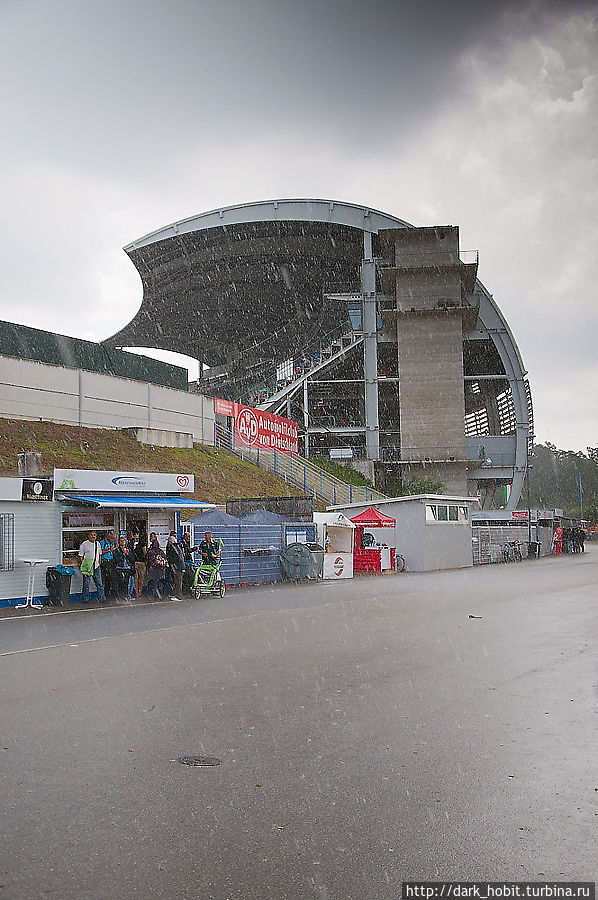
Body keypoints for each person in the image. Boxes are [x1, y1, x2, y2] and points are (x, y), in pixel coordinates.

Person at [77, 530, 106, 604]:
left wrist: (99, 562)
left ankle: (102, 597)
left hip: (96, 566)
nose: (93, 536)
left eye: (94, 535)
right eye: (91, 535)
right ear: (88, 536)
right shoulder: (84, 544)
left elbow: (100, 554)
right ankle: (85, 599)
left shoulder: (97, 544)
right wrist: (84, 564)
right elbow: (80, 555)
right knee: (86, 583)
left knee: (99, 582)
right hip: (88, 566)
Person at [146, 533, 168, 600]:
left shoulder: (152, 549)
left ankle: (157, 594)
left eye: (151, 537)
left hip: (154, 567)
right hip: (159, 567)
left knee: (155, 582)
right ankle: (159, 594)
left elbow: (149, 557)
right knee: (159, 581)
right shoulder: (160, 550)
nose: (150, 538)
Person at [113, 535, 134, 603]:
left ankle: (126, 595)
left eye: (123, 541)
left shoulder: (128, 549)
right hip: (120, 567)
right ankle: (120, 596)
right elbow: (117, 559)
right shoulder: (117, 550)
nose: (122, 542)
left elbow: (132, 559)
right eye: (121, 541)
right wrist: (123, 554)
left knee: (126, 582)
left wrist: (127, 554)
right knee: (121, 582)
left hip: (127, 567)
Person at [166, 531, 185, 601]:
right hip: (179, 567)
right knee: (177, 581)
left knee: (178, 581)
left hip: (178, 567)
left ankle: (179, 595)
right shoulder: (177, 546)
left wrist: (172, 564)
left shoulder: (174, 548)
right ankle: (178, 594)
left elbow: (175, 558)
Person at [99, 530, 117, 599]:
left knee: (108, 580)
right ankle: (111, 594)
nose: (113, 540)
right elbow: (101, 552)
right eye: (112, 538)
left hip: (111, 561)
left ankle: (107, 594)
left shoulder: (111, 543)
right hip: (105, 561)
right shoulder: (103, 542)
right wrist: (109, 550)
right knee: (111, 577)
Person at [133, 530, 147, 599]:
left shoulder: (132, 542)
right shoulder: (142, 542)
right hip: (141, 562)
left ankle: (137, 593)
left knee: (136, 578)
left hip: (135, 561)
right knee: (140, 578)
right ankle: (139, 592)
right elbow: (144, 552)